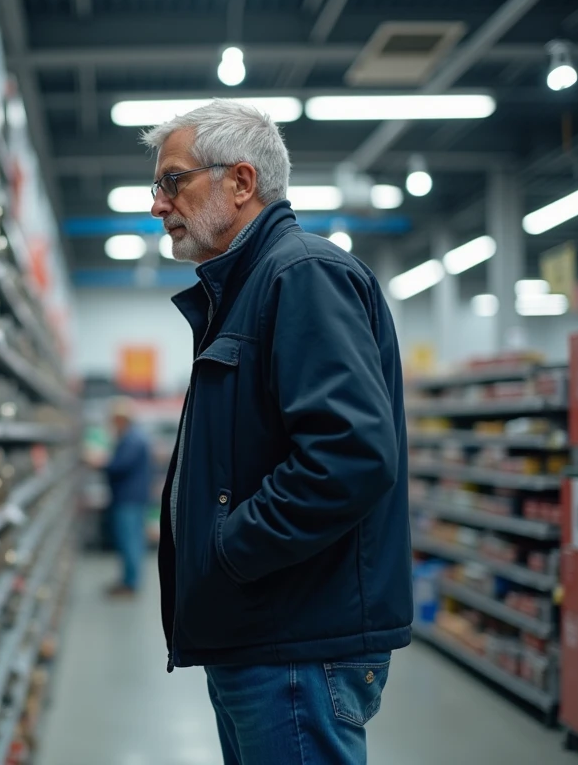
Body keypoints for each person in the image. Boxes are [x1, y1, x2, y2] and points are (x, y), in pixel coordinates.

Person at [142, 99, 410, 765]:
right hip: (261, 634)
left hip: (295, 641)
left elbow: (350, 455)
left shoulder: (301, 275)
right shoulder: (248, 289)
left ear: (240, 182)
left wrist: (231, 550)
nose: (158, 203)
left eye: (173, 180)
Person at [87, 398, 153, 596]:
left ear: (121, 419)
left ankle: (130, 584)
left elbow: (119, 467)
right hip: (130, 498)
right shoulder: (131, 437)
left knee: (130, 541)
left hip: (129, 499)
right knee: (130, 540)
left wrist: (99, 463)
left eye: (113, 420)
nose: (111, 424)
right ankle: (127, 580)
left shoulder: (132, 439)